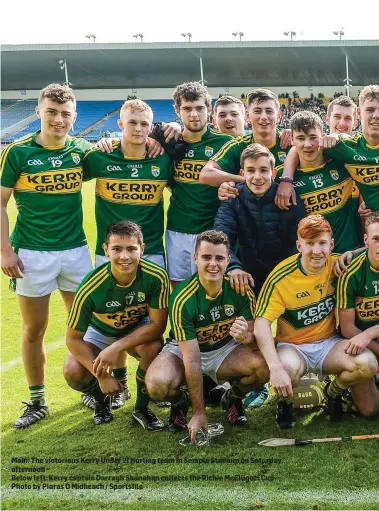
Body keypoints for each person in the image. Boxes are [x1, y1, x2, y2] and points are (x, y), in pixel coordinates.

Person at [1, 83, 93, 428]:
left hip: (75, 250)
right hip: (31, 254)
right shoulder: (17, 153)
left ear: (74, 116)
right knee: (33, 329)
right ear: (38, 112)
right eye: (51, 112)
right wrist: (5, 250)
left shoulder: (81, 150)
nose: (58, 120)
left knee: (84, 325)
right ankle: (37, 400)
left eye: (65, 114)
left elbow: (119, 156)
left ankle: (88, 386)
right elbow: (0, 202)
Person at [254, 215, 377, 429]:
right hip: (293, 347)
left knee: (367, 364)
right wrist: (274, 367)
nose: (317, 251)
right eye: (309, 244)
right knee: (285, 369)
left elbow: (370, 251)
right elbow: (261, 323)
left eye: (322, 243)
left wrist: (351, 252)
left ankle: (333, 392)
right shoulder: (281, 276)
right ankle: (285, 403)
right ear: (298, 245)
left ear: (331, 244)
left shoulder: (338, 265)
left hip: (329, 344)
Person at [145, 230, 269, 441]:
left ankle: (232, 398)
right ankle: (180, 402)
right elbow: (192, 358)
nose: (213, 264)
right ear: (195, 259)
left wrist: (246, 338)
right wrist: (200, 413)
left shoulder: (240, 289)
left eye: (219, 258)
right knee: (156, 385)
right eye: (206, 257)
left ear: (228, 260)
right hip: (184, 349)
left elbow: (255, 342)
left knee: (264, 368)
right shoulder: (183, 297)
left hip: (224, 349)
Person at [64, 221, 169, 428]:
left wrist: (117, 347)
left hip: (137, 327)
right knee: (73, 371)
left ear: (142, 249)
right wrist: (101, 376)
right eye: (117, 249)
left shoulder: (157, 276)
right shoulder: (90, 286)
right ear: (106, 250)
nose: (124, 256)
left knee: (154, 347)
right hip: (101, 330)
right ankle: (101, 399)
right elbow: (73, 339)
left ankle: (141, 408)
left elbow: (158, 326)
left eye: (131, 249)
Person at [83, 99, 174, 270]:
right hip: (110, 251)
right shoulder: (100, 156)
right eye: (132, 122)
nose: (138, 129)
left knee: (152, 297)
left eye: (144, 124)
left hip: (151, 250)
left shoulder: (163, 159)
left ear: (151, 127)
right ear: (120, 124)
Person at [165, 82, 234, 287]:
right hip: (178, 229)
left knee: (215, 289)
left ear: (209, 109)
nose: (194, 114)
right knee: (179, 289)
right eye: (187, 108)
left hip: (213, 230)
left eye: (199, 108)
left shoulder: (226, 143)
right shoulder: (167, 143)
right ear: (177, 110)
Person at [214, 143, 305, 296]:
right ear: (243, 173)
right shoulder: (233, 198)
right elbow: (221, 236)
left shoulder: (288, 198)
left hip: (285, 274)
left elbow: (301, 239)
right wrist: (233, 267)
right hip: (246, 276)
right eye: (250, 170)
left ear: (273, 173)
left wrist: (288, 272)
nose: (257, 177)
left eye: (263, 170)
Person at [276, 84, 379, 213]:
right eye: (337, 117)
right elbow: (298, 150)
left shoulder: (347, 149)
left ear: (356, 120)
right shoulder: (325, 149)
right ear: (327, 119)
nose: (342, 123)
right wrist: (286, 179)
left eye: (348, 118)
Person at [276, 111, 361, 253]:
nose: (307, 144)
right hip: (312, 259)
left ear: (322, 136)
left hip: (348, 255)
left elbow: (359, 141)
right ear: (292, 140)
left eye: (313, 137)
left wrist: (337, 135)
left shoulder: (342, 164)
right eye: (300, 138)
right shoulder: (282, 178)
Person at [199, 88, 292, 187]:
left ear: (278, 116)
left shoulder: (290, 141)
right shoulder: (238, 145)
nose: (264, 116)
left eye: (269, 111)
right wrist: (247, 179)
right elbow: (206, 174)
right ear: (247, 116)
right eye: (257, 111)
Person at [336, 212, 379, 417]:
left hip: (368, 336)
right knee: (370, 410)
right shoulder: (351, 273)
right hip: (358, 342)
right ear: (366, 240)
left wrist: (369, 333)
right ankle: (339, 387)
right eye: (376, 239)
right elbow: (347, 328)